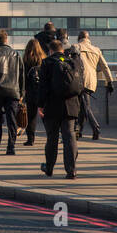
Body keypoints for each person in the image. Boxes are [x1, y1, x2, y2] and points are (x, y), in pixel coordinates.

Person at [36, 35, 82, 179]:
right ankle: (71, 170)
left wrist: (40, 105)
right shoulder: (72, 61)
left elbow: (43, 86)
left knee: (52, 138)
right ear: (62, 50)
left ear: (50, 51)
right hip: (71, 105)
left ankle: (49, 168)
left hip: (52, 105)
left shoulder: (47, 63)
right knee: (69, 137)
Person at [71, 30, 113, 141]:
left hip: (80, 80)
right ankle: (79, 131)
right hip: (92, 81)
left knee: (85, 107)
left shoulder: (76, 46)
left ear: (79, 38)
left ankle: (96, 128)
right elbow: (105, 66)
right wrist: (110, 81)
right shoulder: (96, 50)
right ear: (88, 38)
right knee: (83, 106)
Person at [21, 38, 46, 147]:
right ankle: (51, 135)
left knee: (31, 116)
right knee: (45, 114)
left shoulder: (26, 60)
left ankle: (30, 139)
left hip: (30, 91)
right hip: (41, 91)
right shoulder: (43, 59)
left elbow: (22, 77)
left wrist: (23, 91)